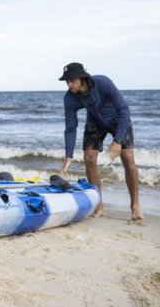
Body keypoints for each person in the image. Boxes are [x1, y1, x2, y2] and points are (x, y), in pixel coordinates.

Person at [58, 62, 143, 220]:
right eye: (67, 81)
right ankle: (99, 205)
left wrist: (118, 140)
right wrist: (68, 156)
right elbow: (70, 127)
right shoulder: (70, 98)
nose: (69, 84)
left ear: (82, 78)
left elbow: (124, 111)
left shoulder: (103, 83)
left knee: (128, 158)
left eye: (72, 80)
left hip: (118, 120)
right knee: (89, 157)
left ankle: (135, 205)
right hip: (95, 122)